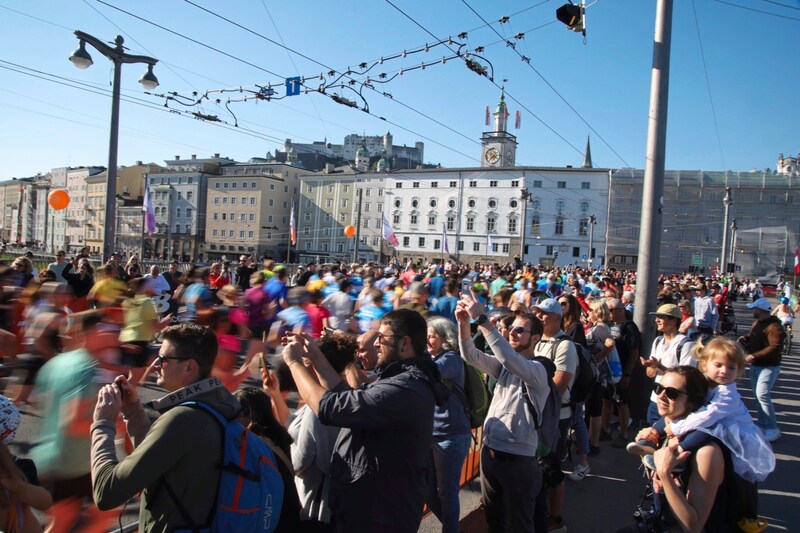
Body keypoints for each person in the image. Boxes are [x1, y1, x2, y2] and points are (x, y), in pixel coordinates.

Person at [282, 309, 448, 532]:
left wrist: (294, 363)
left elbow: (328, 406)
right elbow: (342, 394)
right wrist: (314, 354)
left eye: (382, 337)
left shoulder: (403, 388)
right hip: (376, 506)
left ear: (405, 344)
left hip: (379, 514)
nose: (377, 343)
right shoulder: (401, 378)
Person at [90, 323, 245, 531]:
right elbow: (160, 457)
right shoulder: (221, 402)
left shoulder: (182, 418)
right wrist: (133, 411)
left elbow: (107, 492)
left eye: (163, 359)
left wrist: (102, 423)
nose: (154, 364)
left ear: (189, 367)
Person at [457, 291, 550, 533]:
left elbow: (509, 359)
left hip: (519, 460)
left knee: (520, 523)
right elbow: (470, 355)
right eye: (512, 329)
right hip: (491, 453)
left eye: (520, 330)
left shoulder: (538, 371)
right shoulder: (506, 365)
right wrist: (464, 324)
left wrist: (483, 319)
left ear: (536, 338)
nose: (512, 332)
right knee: (494, 518)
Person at [629, 338, 775, 483]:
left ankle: (677, 455)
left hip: (731, 430)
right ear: (704, 364)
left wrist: (675, 427)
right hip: (710, 420)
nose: (724, 371)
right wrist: (664, 425)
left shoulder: (728, 395)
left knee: (705, 430)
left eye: (731, 367)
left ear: (739, 371)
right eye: (718, 365)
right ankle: (649, 439)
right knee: (677, 411)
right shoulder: (702, 381)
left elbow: (707, 416)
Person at [32, 311, 120, 533]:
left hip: (50, 459)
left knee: (63, 522)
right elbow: (73, 423)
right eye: (105, 329)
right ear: (89, 332)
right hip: (72, 464)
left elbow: (37, 399)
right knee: (110, 506)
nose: (113, 335)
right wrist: (115, 423)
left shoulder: (57, 363)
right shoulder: (86, 370)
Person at [634, 366, 737, 532]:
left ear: (692, 403)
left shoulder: (706, 453)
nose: (661, 396)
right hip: (662, 522)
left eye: (672, 393)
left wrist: (664, 474)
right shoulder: (664, 430)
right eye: (658, 388)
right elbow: (657, 485)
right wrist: (647, 446)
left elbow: (694, 526)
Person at [288, 333, 359, 532]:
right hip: (341, 500)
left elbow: (301, 460)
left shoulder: (318, 408)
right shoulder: (348, 398)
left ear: (311, 364)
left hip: (317, 503)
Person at [531, 298, 578, 531]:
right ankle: (541, 511)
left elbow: (557, 388)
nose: (539, 316)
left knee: (552, 468)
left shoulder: (565, 346)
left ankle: (556, 518)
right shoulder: (537, 340)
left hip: (556, 417)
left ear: (558, 318)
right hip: (536, 414)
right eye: (537, 313)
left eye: (544, 314)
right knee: (538, 466)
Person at [425, 316, 471, 533]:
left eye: (431, 336)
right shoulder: (430, 358)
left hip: (450, 435)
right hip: (431, 434)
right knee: (428, 490)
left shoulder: (451, 358)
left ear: (445, 338)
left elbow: (427, 374)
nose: (426, 339)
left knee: (447, 493)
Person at [235, 386, 300, 533]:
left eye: (235, 413)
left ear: (248, 414)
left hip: (268, 517)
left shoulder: (253, 445)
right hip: (288, 511)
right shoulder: (280, 436)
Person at [641, 304, 696, 424]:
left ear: (673, 320)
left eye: (661, 317)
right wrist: (651, 366)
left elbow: (686, 378)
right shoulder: (658, 341)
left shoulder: (686, 344)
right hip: (655, 400)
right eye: (657, 317)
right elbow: (650, 375)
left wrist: (659, 366)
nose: (657, 320)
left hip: (674, 404)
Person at [738, 298, 784, 441]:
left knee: (762, 395)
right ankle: (763, 425)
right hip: (757, 365)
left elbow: (775, 346)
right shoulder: (758, 323)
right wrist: (746, 338)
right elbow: (754, 336)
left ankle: (773, 428)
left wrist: (753, 355)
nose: (753, 311)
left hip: (769, 367)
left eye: (754, 308)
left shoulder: (774, 327)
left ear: (760, 310)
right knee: (758, 397)